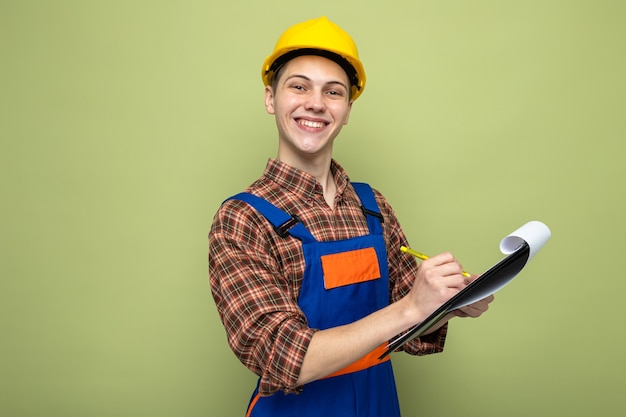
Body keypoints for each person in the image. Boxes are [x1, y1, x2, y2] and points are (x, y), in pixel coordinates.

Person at [208, 16, 494, 417]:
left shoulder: (370, 205)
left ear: (347, 110)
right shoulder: (242, 219)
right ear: (270, 98)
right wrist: (412, 307)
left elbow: (409, 327)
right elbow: (280, 353)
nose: (316, 103)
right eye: (299, 86)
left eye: (334, 92)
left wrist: (447, 302)